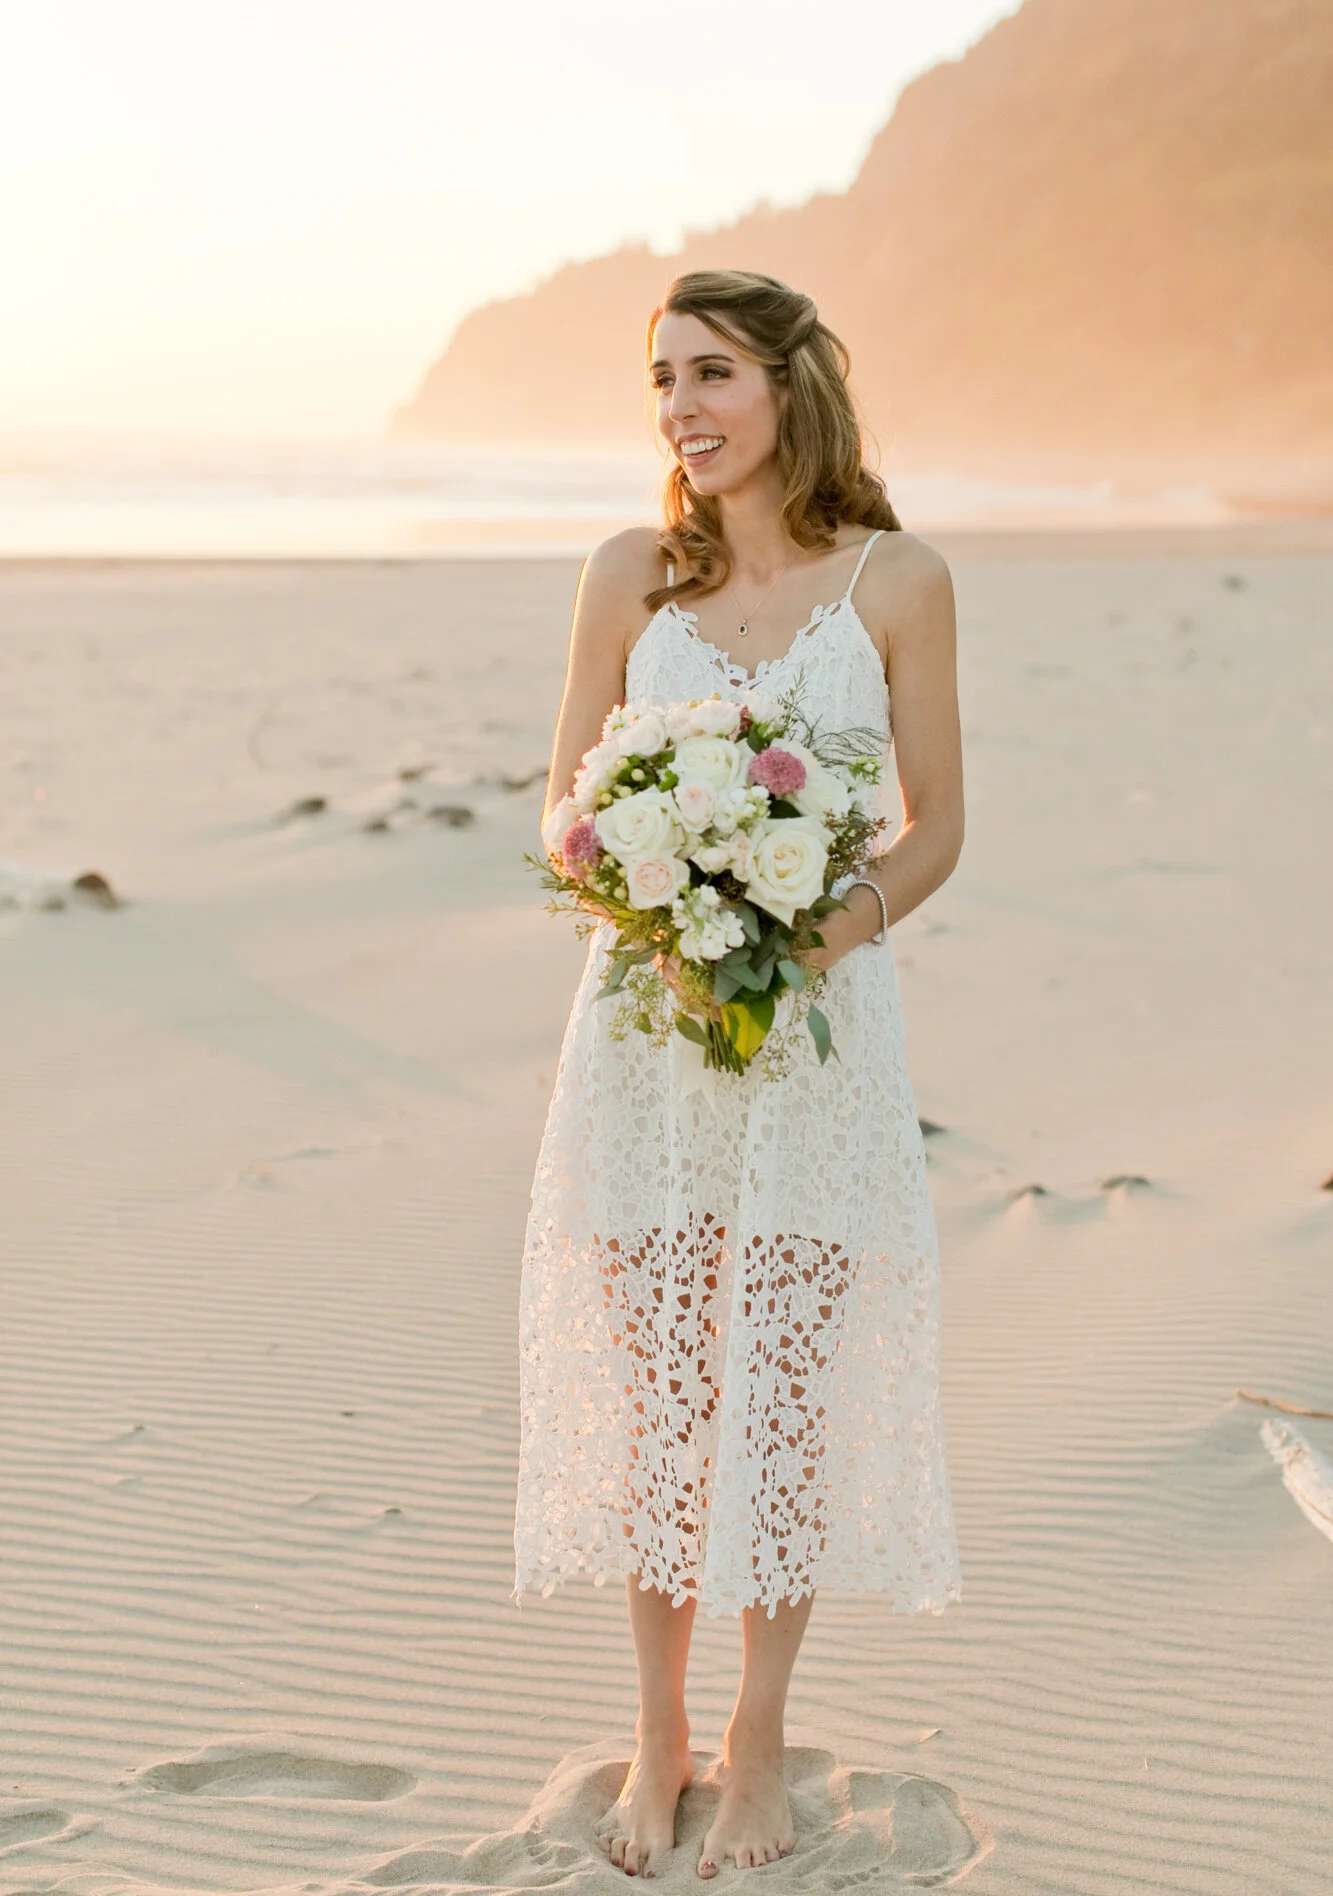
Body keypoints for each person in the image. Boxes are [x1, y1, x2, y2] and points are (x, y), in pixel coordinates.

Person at [513, 268, 963, 1880]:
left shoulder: (896, 581)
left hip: (817, 1040)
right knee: (662, 1403)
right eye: (662, 382)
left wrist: (808, 926)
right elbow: (563, 807)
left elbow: (939, 834)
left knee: (776, 1396)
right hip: (644, 1038)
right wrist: (659, 894)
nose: (683, 410)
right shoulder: (630, 576)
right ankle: (655, 1733)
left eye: (713, 374)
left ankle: (756, 1736)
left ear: (791, 385)